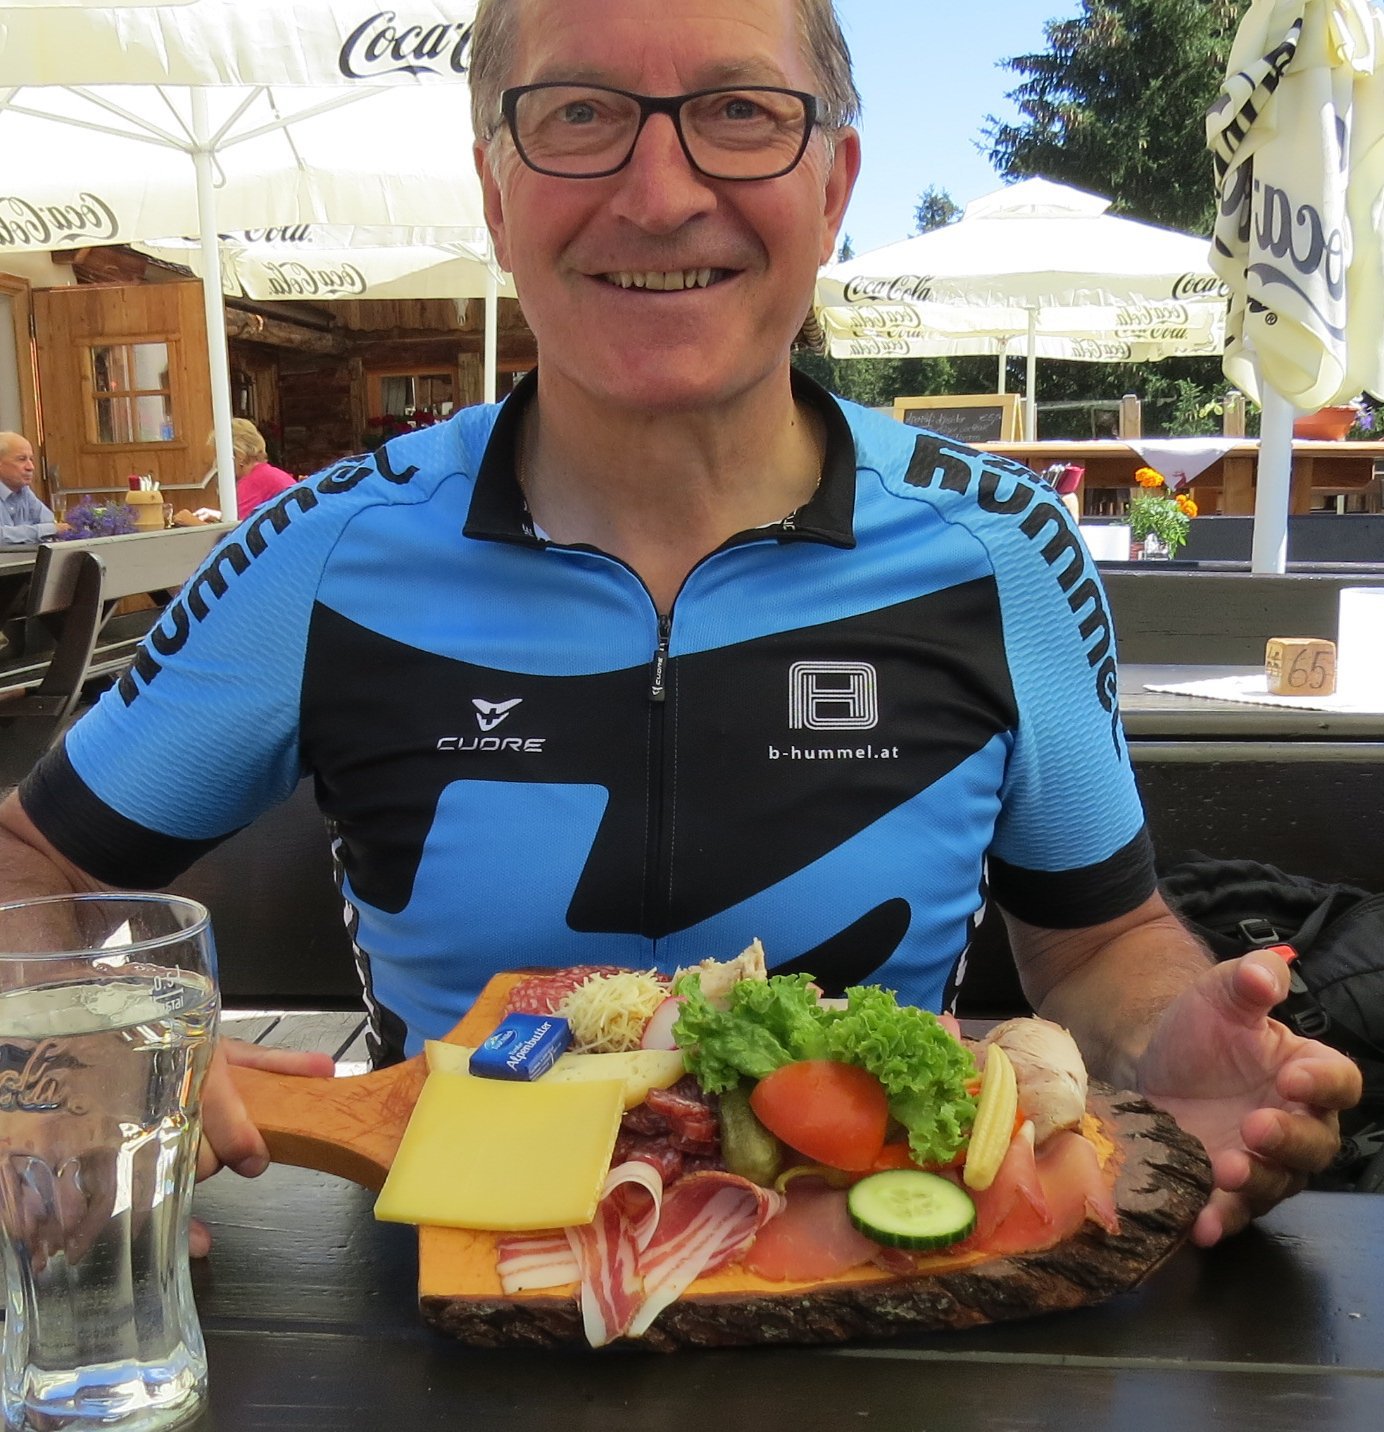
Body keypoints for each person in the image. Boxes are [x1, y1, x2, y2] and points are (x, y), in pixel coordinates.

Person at [0, 0, 1360, 1255]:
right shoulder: (324, 553)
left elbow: (1098, 941)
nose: (658, 197)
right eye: (579, 113)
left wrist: (1167, 1041)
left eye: (740, 112)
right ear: (495, 191)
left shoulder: (1003, 551)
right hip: (444, 1309)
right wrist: (67, 1052)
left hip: (885, 1301)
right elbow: (30, 863)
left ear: (833, 186)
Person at [225, 417, 296, 521]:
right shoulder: (268, 474)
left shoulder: (251, 483)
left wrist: (197, 521)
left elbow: (238, 528)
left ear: (239, 456)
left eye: (219, 456)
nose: (216, 464)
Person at [0, 432, 61, 545]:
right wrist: (46, 530)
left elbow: (50, 522)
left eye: (31, 459)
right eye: (21, 459)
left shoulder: (24, 491)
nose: (31, 467)